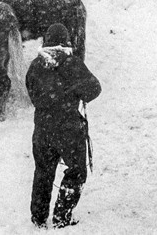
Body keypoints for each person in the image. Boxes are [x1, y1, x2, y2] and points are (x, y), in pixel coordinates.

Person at [26, 23, 101, 229]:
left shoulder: (35, 65)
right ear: (66, 42)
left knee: (43, 171)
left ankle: (39, 218)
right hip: (68, 129)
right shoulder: (72, 63)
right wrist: (74, 91)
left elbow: (32, 93)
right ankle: (61, 216)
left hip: (42, 129)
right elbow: (94, 89)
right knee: (76, 172)